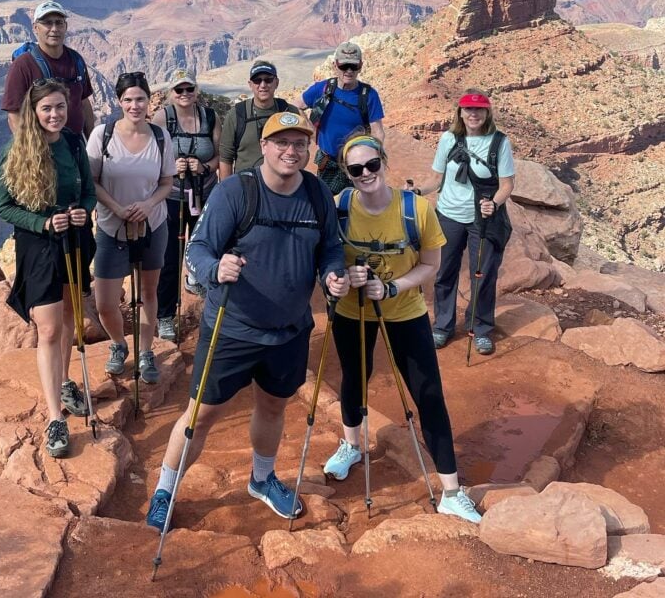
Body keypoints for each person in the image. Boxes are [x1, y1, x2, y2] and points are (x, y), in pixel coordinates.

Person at [146, 111, 349, 531]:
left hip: (290, 329)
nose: (291, 151)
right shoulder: (235, 192)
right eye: (282, 143)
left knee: (273, 406)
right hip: (232, 328)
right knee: (200, 414)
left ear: (308, 150)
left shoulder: (315, 194)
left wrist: (333, 273)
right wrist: (215, 268)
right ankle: (165, 490)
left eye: (299, 144)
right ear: (265, 147)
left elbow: (330, 247)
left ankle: (261, 478)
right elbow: (198, 250)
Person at [322, 132, 481, 523]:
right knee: (355, 379)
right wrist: (338, 279)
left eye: (372, 165)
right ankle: (352, 445)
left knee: (428, 394)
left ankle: (451, 491)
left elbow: (431, 265)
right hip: (351, 310)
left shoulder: (416, 210)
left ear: (384, 162)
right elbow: (326, 258)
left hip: (405, 311)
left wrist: (392, 286)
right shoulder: (339, 206)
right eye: (355, 169)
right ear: (346, 172)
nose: (365, 173)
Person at [0, 79, 97, 459]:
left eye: (59, 107)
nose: (54, 115)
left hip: (74, 239)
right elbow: (4, 206)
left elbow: (87, 189)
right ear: (33, 113)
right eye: (46, 109)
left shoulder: (73, 143)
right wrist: (41, 223)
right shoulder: (16, 150)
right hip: (38, 246)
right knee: (50, 328)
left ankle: (66, 380)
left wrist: (83, 210)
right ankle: (55, 415)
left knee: (71, 315)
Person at [86, 72, 175, 382]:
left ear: (148, 99)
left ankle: (147, 351)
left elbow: (167, 183)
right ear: (119, 101)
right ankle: (119, 344)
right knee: (105, 302)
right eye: (128, 99)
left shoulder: (161, 138)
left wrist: (149, 204)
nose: (135, 105)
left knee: (149, 293)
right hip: (112, 227)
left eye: (140, 98)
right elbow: (92, 181)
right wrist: (117, 208)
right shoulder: (102, 135)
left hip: (153, 225)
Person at [417, 89, 515, 355]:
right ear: (460, 112)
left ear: (487, 112)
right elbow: (436, 179)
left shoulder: (499, 142)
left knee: (482, 274)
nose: (473, 114)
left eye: (479, 109)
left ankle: (481, 328)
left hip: (481, 219)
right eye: (468, 109)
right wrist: (416, 192)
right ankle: (443, 326)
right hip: (449, 215)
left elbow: (507, 184)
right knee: (444, 272)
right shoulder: (449, 139)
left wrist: (493, 203)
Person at [152, 69, 221, 339]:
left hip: (204, 195)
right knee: (170, 255)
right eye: (179, 90)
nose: (184, 94)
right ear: (171, 93)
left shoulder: (210, 118)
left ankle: (199, 285)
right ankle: (166, 315)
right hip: (172, 197)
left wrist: (203, 166)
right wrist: (171, 165)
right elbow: (152, 158)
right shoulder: (163, 118)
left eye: (189, 89)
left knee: (206, 246)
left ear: (196, 91)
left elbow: (219, 158)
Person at [294, 41, 385, 194]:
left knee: (358, 207)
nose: (348, 71)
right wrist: (309, 129)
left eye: (353, 66)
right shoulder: (321, 88)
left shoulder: (369, 95)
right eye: (344, 66)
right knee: (327, 205)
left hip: (357, 165)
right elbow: (296, 106)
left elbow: (378, 132)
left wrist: (373, 159)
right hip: (328, 163)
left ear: (360, 66)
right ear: (335, 65)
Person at [2, 0, 95, 137]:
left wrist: (92, 144)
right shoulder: (23, 65)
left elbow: (83, 102)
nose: (54, 29)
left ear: (65, 26)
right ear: (35, 28)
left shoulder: (76, 60)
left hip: (74, 148)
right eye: (47, 23)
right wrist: (30, 151)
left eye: (59, 22)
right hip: (41, 148)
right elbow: (14, 115)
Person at [218, 60, 300, 178]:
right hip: (246, 187)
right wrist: (227, 191)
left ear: (276, 83)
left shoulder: (289, 112)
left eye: (268, 80)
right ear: (250, 84)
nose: (263, 85)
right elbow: (226, 157)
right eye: (257, 80)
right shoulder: (237, 115)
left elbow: (302, 152)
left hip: (283, 186)